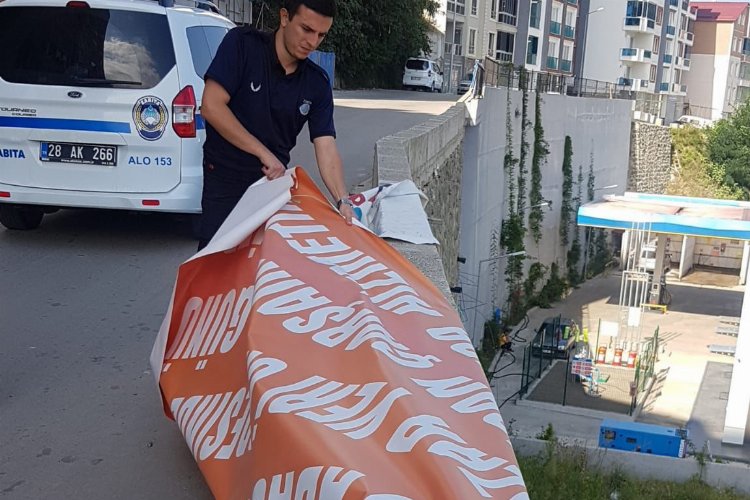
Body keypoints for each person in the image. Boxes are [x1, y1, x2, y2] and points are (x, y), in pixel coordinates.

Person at [198, 0, 353, 250]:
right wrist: (263, 152)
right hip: (224, 178)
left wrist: (343, 200)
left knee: (263, 264)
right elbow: (211, 106)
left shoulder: (317, 83)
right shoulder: (242, 45)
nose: (312, 42)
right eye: (306, 29)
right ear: (284, 17)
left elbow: (326, 145)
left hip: (271, 188)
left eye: (321, 35)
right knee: (215, 261)